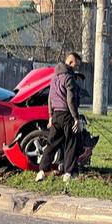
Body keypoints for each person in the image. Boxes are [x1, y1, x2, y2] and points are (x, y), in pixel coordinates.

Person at [36, 52, 84, 183]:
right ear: (70, 62)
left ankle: (42, 171)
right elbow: (71, 99)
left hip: (56, 115)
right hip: (67, 115)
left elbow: (50, 98)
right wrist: (76, 118)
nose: (77, 68)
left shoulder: (54, 77)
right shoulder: (69, 78)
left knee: (51, 144)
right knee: (71, 144)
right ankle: (69, 173)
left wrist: (50, 116)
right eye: (76, 65)